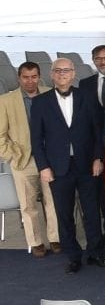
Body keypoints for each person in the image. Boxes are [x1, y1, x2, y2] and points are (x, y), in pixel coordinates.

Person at [29, 57, 105, 273]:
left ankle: (95, 252)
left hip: (87, 164)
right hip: (57, 167)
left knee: (91, 211)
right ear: (52, 74)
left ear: (73, 74)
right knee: (64, 214)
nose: (62, 74)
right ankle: (73, 256)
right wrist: (43, 167)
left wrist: (98, 158)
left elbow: (97, 131)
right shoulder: (40, 102)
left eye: (67, 70)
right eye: (58, 70)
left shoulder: (87, 97)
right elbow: (36, 139)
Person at [0, 61, 58, 257]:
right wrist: (11, 155)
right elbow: (0, 135)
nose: (30, 81)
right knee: (28, 204)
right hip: (23, 160)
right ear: (19, 78)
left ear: (39, 77)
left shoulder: (50, 94)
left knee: (53, 201)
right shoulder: (6, 101)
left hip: (50, 159)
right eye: (26, 77)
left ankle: (55, 238)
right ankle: (36, 242)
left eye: (34, 77)